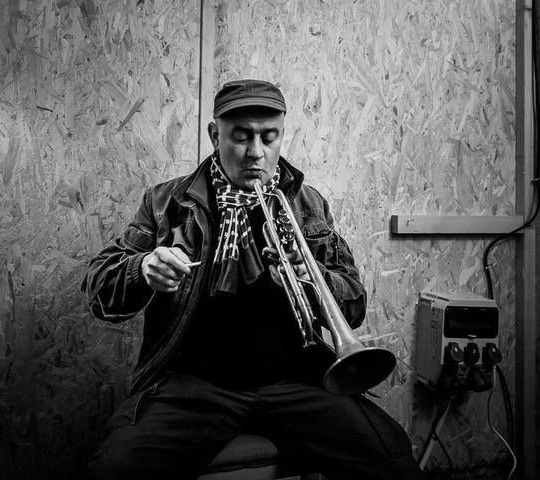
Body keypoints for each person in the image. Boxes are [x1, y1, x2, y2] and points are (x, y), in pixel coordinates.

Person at [81, 79, 424, 480]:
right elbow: (99, 288)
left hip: (296, 382)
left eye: (269, 137)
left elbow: (354, 303)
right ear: (215, 135)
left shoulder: (308, 203)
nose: (256, 153)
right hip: (195, 387)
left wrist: (315, 280)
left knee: (393, 464)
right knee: (114, 469)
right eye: (241, 137)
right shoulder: (166, 203)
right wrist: (142, 269)